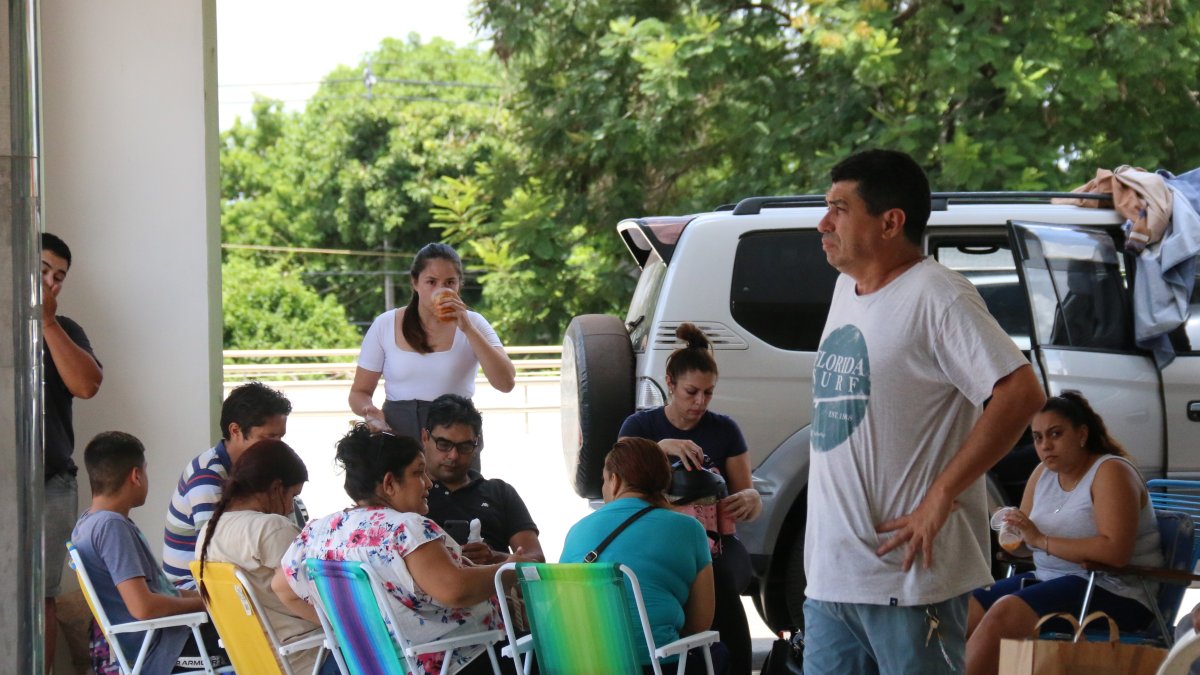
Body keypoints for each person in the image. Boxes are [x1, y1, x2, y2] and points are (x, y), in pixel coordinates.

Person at [803, 149, 1046, 674]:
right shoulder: (846, 288)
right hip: (831, 578)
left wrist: (943, 493)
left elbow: (1022, 394)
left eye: (840, 209)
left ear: (891, 222)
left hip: (908, 580)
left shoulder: (940, 295)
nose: (823, 223)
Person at [279, 425, 524, 675]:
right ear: (389, 483)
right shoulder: (404, 528)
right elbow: (454, 589)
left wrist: (352, 630)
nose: (428, 483)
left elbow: (282, 587)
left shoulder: (318, 532)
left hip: (375, 666)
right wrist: (510, 568)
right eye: (418, 473)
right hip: (457, 661)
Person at [965, 392, 1162, 675]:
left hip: (1113, 588)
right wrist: (1015, 535)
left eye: (1055, 434)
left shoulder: (1110, 471)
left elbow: (1114, 553)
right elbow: (1024, 546)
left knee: (1006, 612)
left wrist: (1039, 540)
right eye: (1038, 438)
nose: (1046, 445)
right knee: (965, 606)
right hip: (1050, 579)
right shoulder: (1042, 474)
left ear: (1082, 434)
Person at [618, 322, 760, 675]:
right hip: (655, 540)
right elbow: (616, 487)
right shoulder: (639, 428)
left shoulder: (724, 429)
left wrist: (752, 500)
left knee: (721, 580)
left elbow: (746, 492)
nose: (700, 402)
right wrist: (657, 449)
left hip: (717, 542)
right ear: (670, 383)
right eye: (691, 392)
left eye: (708, 393)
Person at [561, 437, 726, 675]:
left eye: (603, 481)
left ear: (615, 481)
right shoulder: (689, 529)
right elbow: (700, 625)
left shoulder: (577, 531)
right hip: (657, 666)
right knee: (718, 653)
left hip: (579, 665)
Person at [72, 432, 227, 673]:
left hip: (163, 640)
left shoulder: (87, 523)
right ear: (136, 476)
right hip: (164, 649)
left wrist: (210, 600)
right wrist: (207, 607)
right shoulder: (111, 527)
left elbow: (162, 592)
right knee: (254, 642)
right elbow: (144, 608)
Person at [196, 439, 338, 675]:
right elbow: (310, 598)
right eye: (293, 495)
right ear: (275, 488)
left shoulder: (208, 532)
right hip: (307, 659)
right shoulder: (271, 528)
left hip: (255, 662)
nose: (292, 507)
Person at [349, 243, 515, 441]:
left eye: (450, 282)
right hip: (399, 438)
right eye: (431, 282)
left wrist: (468, 329)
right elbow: (359, 392)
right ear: (415, 283)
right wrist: (370, 412)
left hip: (456, 440)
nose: (441, 290)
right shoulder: (386, 324)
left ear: (459, 284)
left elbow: (506, 383)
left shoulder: (474, 323)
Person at [41, 232, 104, 672]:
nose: (51, 283)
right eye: (43, 270)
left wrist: (46, 323)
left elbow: (87, 385)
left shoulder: (66, 329)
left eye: (59, 277)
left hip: (51, 483)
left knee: (40, 594)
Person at [163, 381, 291, 588]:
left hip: (231, 579)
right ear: (235, 430)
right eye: (269, 437)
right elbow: (216, 553)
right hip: (193, 588)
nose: (277, 446)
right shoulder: (207, 476)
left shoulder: (261, 467)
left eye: (281, 437)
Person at [422, 394, 545, 564]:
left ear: (476, 445)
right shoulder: (409, 493)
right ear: (425, 438)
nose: (453, 455)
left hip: (495, 588)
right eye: (443, 444)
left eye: (465, 446)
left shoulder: (500, 492)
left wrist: (494, 557)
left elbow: (537, 559)